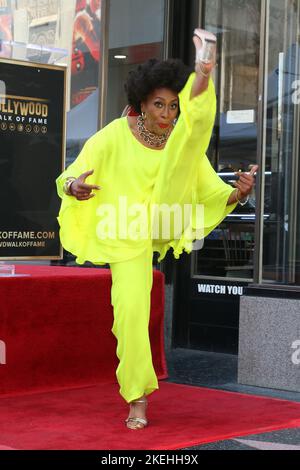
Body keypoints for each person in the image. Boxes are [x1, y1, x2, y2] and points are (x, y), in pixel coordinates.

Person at [56, 29, 258, 430]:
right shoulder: (114, 135)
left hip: (167, 212)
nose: (166, 114)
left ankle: (205, 67)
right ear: (142, 105)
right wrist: (74, 187)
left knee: (190, 138)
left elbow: (211, 193)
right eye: (159, 105)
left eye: (172, 106)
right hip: (126, 235)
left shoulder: (180, 140)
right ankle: (137, 396)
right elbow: (69, 175)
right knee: (129, 313)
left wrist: (239, 194)